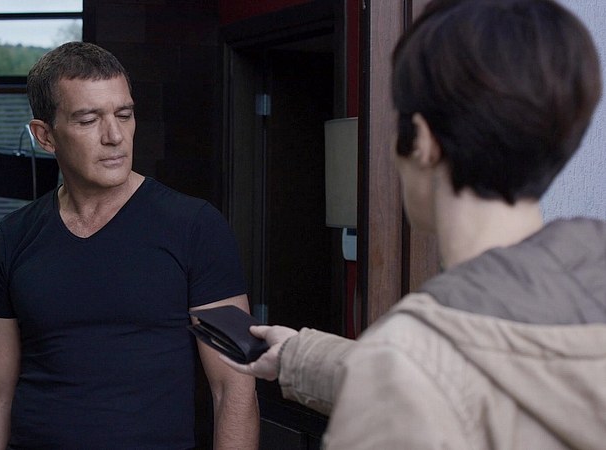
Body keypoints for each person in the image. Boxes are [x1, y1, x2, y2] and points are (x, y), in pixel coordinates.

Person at [223, 0, 606, 448]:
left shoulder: (410, 360)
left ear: (422, 140)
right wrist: (297, 355)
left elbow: (421, 374)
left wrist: (389, 361)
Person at [0, 42, 259, 449]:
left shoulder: (196, 227)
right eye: (88, 119)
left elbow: (234, 386)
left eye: (124, 114)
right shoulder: (11, 238)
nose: (114, 136)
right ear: (45, 136)